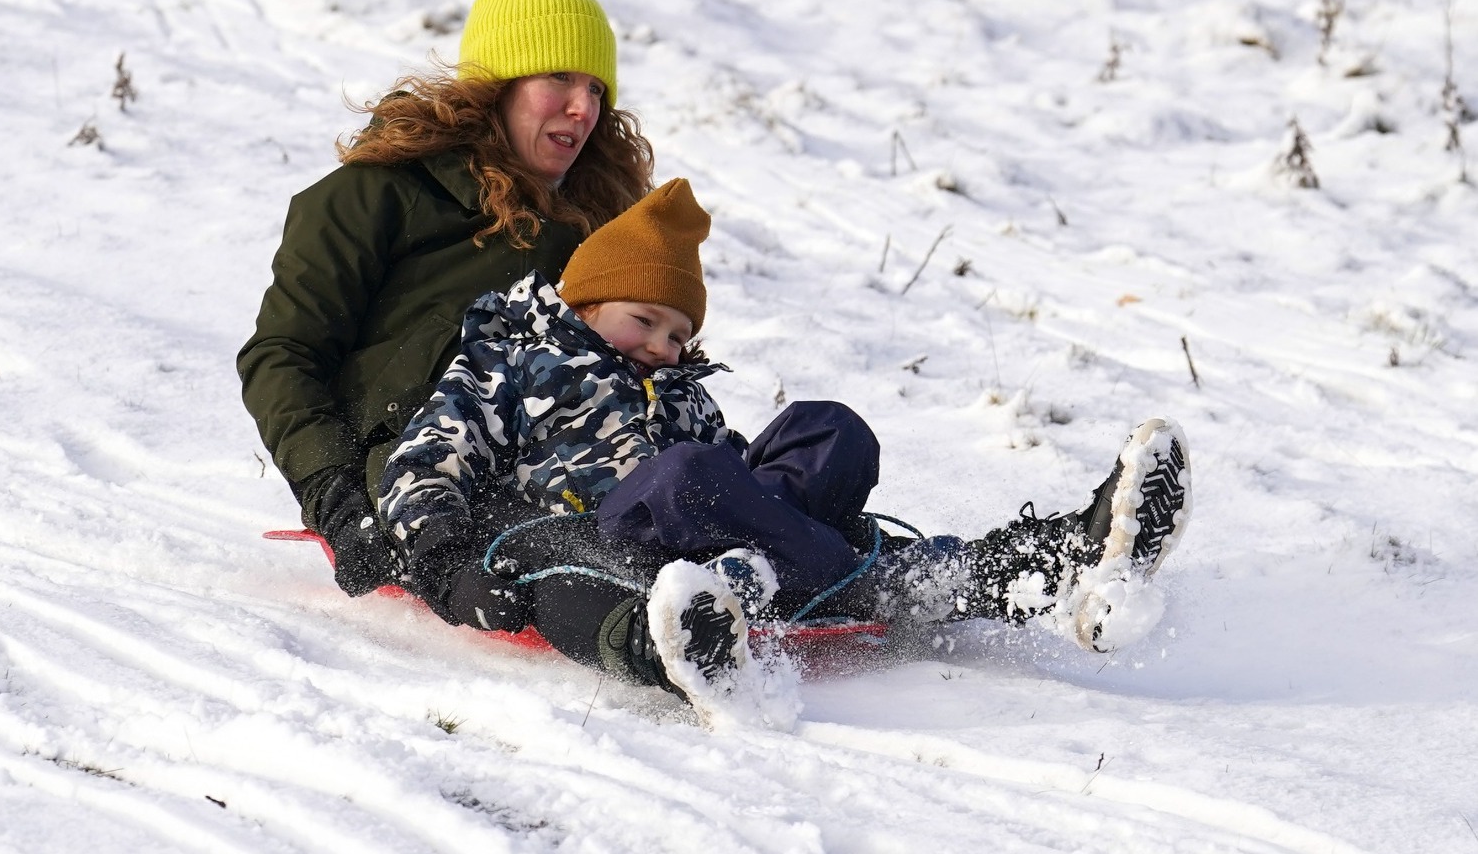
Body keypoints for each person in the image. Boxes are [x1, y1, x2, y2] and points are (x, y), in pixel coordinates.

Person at [377, 178, 1193, 713]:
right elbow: (423, 463)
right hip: (595, 537)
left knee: (828, 428)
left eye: (678, 331)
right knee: (694, 476)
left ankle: (1067, 560)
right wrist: (444, 556)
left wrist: (767, 488)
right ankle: (808, 601)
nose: (663, 345)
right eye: (644, 321)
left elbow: (737, 477)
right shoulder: (512, 361)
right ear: (586, 303)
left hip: (720, 531)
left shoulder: (680, 389)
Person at [238, 0, 653, 598]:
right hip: (429, 476)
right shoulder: (373, 197)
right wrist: (336, 500)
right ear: (498, 86)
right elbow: (283, 354)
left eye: (596, 89)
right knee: (583, 542)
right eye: (559, 77)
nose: (584, 108)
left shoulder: (598, 229)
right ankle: (656, 621)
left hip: (575, 459)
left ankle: (822, 566)